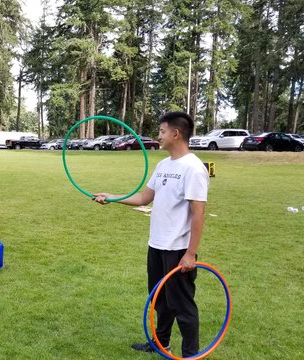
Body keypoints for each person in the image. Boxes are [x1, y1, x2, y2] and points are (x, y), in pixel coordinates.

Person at [93, 112, 209, 357]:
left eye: (162, 131)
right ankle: (161, 343)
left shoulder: (194, 169)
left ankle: (190, 355)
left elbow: (198, 215)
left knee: (182, 306)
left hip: (178, 248)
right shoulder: (163, 165)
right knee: (159, 300)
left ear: (176, 134)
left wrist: (190, 254)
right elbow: (144, 198)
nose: (159, 135)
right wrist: (112, 198)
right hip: (156, 244)